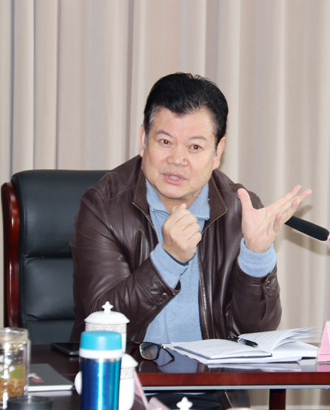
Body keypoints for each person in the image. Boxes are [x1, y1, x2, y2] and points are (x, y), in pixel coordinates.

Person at [70, 72, 310, 408]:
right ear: (143, 139)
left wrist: (257, 255)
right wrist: (167, 260)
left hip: (213, 391)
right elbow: (102, 321)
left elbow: (255, 334)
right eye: (165, 142)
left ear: (218, 152)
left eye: (195, 147)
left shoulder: (239, 209)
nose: (177, 160)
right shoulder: (103, 206)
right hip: (126, 388)